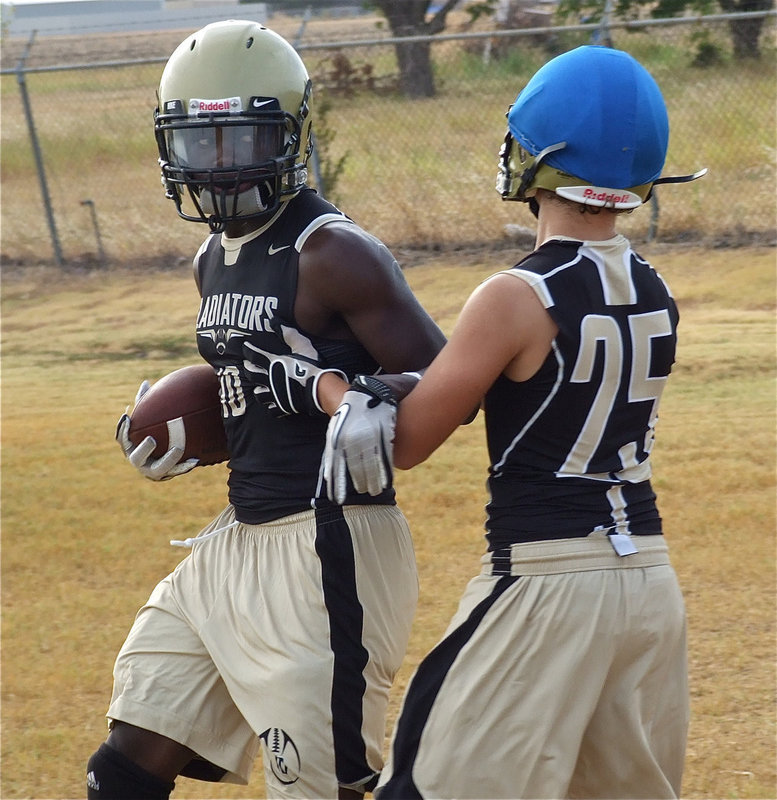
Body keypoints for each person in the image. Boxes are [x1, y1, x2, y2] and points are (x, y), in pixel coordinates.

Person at [249, 45, 705, 799]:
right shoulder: (656, 289)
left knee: (419, 788)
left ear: (542, 158)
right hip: (649, 582)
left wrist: (325, 386)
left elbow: (408, 441)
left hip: (544, 578)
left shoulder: (514, 294)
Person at [86, 20, 446, 800]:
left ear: (287, 135)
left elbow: (447, 380)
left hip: (327, 547)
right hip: (232, 541)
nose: (218, 163)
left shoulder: (331, 251)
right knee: (122, 768)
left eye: (242, 137)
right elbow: (244, 378)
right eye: (198, 141)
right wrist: (190, 424)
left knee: (328, 790)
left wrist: (343, 395)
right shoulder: (209, 257)